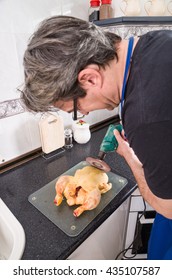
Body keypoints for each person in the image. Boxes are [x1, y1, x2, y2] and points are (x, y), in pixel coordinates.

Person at [21, 15, 172, 259]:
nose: (86, 112)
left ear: (90, 78)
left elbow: (168, 207)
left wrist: (130, 158)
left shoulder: (145, 119)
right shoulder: (154, 41)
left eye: (76, 109)